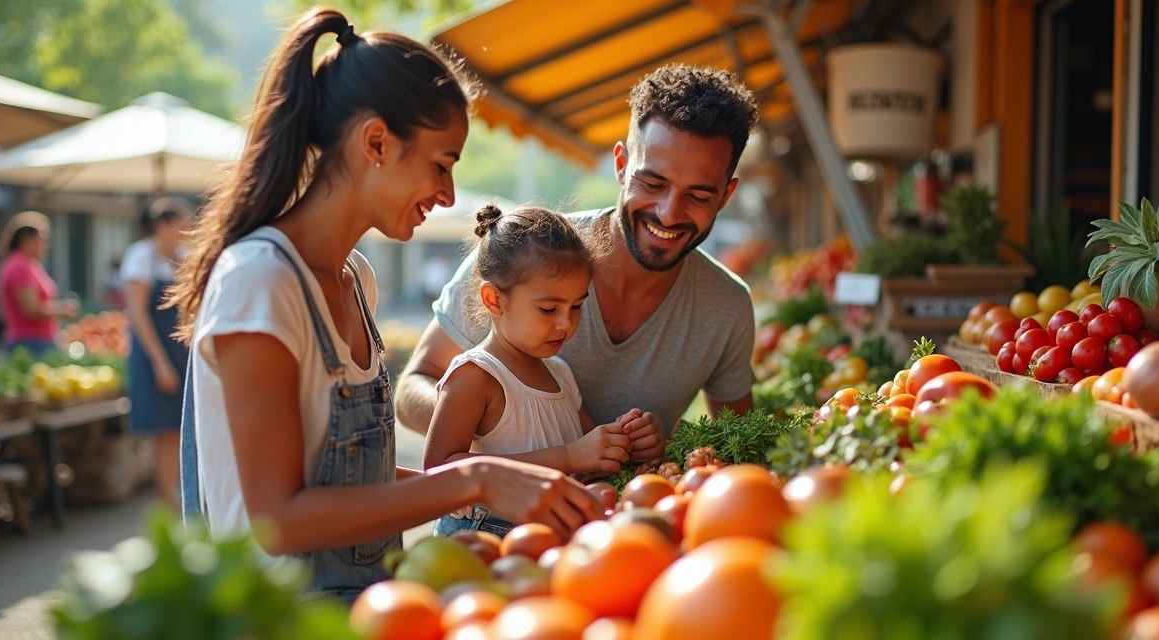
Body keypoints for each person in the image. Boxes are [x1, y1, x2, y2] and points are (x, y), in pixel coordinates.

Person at [168, 9, 601, 604]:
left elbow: (348, 479)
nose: (449, 194)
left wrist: (494, 490)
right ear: (375, 141)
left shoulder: (356, 279)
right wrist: (473, 478)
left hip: (372, 602)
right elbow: (277, 518)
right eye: (441, 164)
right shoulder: (258, 282)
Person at [397, 64, 761, 439]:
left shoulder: (727, 307)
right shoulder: (522, 252)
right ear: (621, 166)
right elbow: (412, 391)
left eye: (698, 195)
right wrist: (511, 429)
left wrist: (663, 444)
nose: (668, 214)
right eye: (652, 183)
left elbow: (734, 444)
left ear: (725, 196)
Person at [424, 204, 663, 537]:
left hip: (549, 541)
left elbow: (590, 459)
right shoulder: (477, 375)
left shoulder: (561, 374)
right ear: (494, 300)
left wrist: (629, 440)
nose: (566, 323)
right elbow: (438, 472)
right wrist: (568, 456)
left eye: (577, 306)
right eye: (549, 308)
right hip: (484, 538)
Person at [122, 197, 192, 508]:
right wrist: (161, 363)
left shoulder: (183, 257)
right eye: (180, 225)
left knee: (180, 428)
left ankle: (177, 493)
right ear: (162, 226)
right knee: (164, 430)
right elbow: (138, 315)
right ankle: (168, 499)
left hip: (179, 352)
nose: (184, 231)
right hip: (154, 354)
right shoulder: (140, 257)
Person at [0, 211, 79, 355]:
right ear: (27, 240)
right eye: (43, 239)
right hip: (29, 342)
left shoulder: (28, 264)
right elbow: (31, 310)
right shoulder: (20, 265)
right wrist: (62, 310)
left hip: (35, 340)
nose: (46, 245)